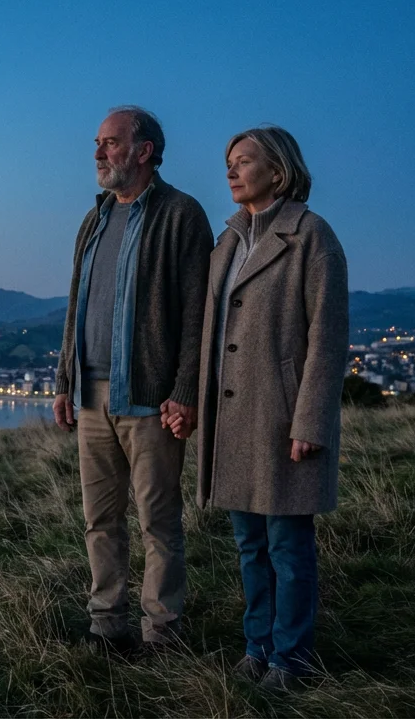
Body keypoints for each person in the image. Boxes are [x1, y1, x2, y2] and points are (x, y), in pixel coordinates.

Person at [165, 125, 348, 691]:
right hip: (232, 421)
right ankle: (257, 648)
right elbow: (208, 331)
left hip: (282, 419)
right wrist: (192, 402)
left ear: (279, 170)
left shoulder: (312, 236)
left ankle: (292, 661)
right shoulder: (228, 242)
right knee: (250, 546)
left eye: (244, 160)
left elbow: (327, 339)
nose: (231, 170)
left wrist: (310, 420)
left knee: (288, 548)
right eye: (229, 161)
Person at [53, 106, 213, 649]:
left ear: (144, 151)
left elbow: (197, 313)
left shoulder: (181, 214)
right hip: (91, 395)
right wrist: (64, 381)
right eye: (98, 143)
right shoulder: (94, 218)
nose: (99, 153)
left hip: (150, 398)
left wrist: (185, 391)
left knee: (158, 522)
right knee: (99, 520)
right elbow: (76, 305)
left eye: (111, 142)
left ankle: (162, 634)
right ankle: (107, 626)